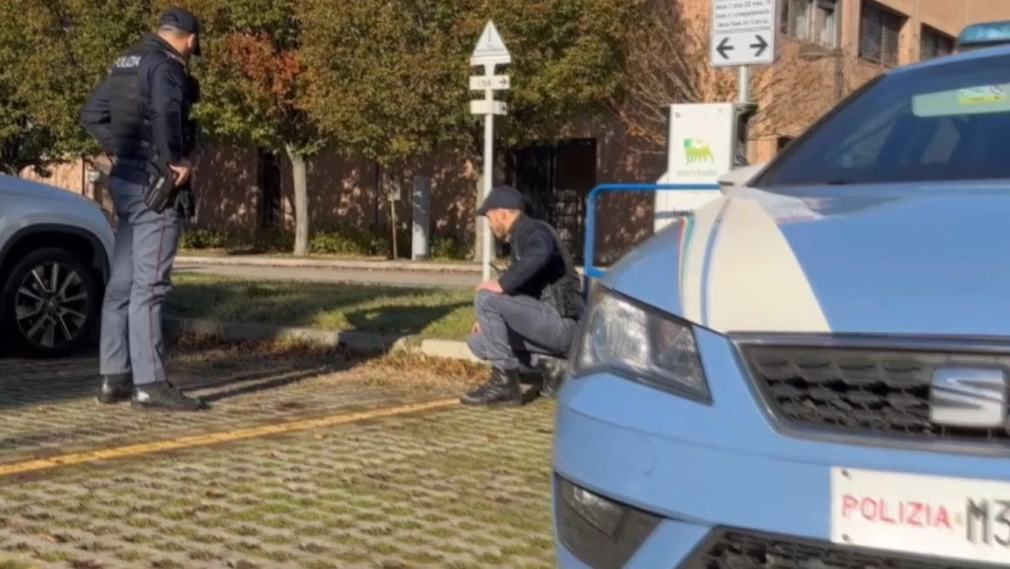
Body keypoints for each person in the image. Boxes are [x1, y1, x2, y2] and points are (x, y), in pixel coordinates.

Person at [80, 8, 204, 411]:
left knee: (122, 284)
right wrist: (175, 162)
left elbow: (92, 114)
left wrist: (121, 150)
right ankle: (150, 384)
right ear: (189, 39)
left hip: (128, 182)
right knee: (149, 287)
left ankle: (112, 378)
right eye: (195, 43)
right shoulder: (167, 67)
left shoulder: (125, 62)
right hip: (156, 186)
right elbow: (167, 113)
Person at [461, 185, 584, 407]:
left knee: (486, 296)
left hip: (563, 324)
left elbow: (540, 252)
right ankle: (552, 365)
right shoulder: (521, 237)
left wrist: (501, 284)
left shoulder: (532, 230)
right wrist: (488, 320)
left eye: (489, 218)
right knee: (478, 342)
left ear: (501, 213)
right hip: (550, 327)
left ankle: (504, 385)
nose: (489, 225)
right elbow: (525, 293)